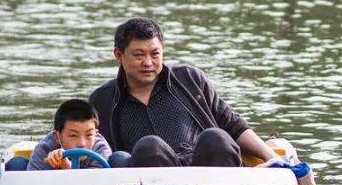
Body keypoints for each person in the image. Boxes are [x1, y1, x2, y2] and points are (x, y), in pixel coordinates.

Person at [89, 18, 280, 169]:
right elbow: (91, 146)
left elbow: (232, 124)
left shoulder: (189, 79)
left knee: (216, 138)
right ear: (118, 55)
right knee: (150, 147)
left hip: (206, 171)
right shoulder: (102, 100)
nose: (148, 62)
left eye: (155, 54)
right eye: (139, 55)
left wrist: (272, 157)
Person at [21, 98, 127, 171]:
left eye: (89, 135)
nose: (82, 144)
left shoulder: (100, 148)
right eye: (73, 135)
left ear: (96, 134)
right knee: (17, 163)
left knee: (119, 159)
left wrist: (68, 168)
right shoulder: (44, 149)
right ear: (57, 136)